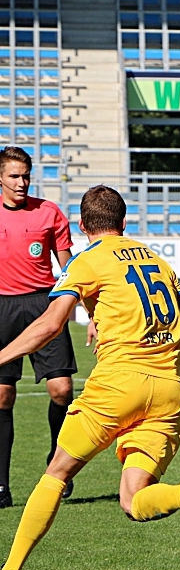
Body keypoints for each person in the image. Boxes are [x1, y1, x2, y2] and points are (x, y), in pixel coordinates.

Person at [0, 185, 180, 570]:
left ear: (82, 226)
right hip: (170, 390)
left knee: (58, 472)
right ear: (123, 222)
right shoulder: (157, 258)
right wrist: (171, 368)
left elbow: (50, 325)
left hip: (118, 385)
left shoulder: (87, 261)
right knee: (133, 500)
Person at [0, 146, 77, 507]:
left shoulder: (49, 212)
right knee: (2, 397)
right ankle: (1, 484)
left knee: (62, 390)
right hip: (2, 308)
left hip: (43, 304)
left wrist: (92, 314)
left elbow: (71, 271)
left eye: (25, 175)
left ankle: (55, 460)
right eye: (14, 176)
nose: (21, 182)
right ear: (0, 177)